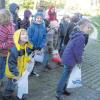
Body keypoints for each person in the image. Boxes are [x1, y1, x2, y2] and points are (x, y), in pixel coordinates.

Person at [56, 19, 92, 100]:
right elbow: (77, 52)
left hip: (68, 57)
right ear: (83, 26)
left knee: (67, 75)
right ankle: (58, 93)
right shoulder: (81, 37)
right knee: (64, 76)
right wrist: (79, 61)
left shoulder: (76, 33)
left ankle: (63, 89)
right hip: (70, 59)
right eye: (88, 27)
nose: (89, 29)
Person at [3, 29, 33, 100]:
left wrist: (28, 60)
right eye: (23, 34)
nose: (25, 35)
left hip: (19, 70)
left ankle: (16, 94)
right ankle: (6, 95)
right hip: (13, 72)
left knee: (15, 84)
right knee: (11, 85)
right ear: (17, 37)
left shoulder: (24, 46)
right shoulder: (14, 50)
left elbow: (25, 56)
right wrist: (16, 74)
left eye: (26, 34)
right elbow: (11, 64)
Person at [0, 9, 14, 88]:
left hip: (3, 53)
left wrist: (1, 46)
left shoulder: (10, 28)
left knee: (1, 67)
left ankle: (0, 80)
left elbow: (11, 43)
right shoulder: (1, 24)